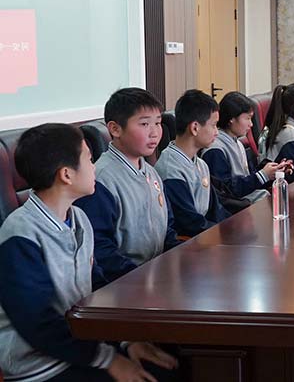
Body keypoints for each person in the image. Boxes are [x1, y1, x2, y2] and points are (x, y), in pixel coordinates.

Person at [0, 124, 178, 381]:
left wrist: (126, 341)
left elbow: (97, 289)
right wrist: (110, 360)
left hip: (83, 345)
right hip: (41, 366)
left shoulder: (79, 218)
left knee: (168, 363)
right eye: (89, 159)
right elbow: (40, 325)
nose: (94, 167)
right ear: (66, 175)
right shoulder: (20, 236)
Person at [75, 88, 181, 283]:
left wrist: (179, 260)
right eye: (144, 124)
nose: (155, 133)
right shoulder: (101, 180)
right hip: (125, 283)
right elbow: (99, 248)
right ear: (115, 129)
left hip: (155, 276)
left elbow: (168, 227)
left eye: (158, 123)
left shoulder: (151, 172)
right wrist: (141, 278)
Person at [154, 90, 229, 237]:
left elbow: (216, 210)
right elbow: (189, 223)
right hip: (190, 242)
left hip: (207, 237)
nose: (217, 132)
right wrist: (223, 233)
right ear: (195, 128)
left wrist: (231, 227)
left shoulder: (201, 164)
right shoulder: (171, 169)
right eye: (214, 125)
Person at [202, 92, 289, 209]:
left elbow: (247, 177)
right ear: (232, 119)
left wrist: (272, 171)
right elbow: (227, 190)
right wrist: (262, 175)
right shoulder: (215, 150)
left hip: (249, 200)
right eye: (247, 118)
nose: (251, 124)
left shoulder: (238, 143)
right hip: (237, 208)